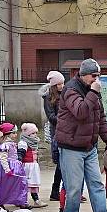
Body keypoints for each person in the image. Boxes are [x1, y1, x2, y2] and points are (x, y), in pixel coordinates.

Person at [54, 58, 107, 212]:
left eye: (98, 76)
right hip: (71, 147)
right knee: (74, 188)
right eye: (93, 76)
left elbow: (100, 117)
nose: (97, 79)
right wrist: (93, 92)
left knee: (97, 185)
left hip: (89, 146)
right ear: (82, 75)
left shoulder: (93, 91)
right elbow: (81, 112)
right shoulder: (70, 90)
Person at [0, 122, 29, 209]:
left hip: (15, 167)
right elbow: (3, 158)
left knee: (20, 183)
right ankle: (1, 202)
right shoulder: (5, 145)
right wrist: (7, 169)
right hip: (9, 168)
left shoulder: (12, 144)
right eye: (13, 133)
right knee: (5, 186)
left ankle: (21, 201)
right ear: (8, 134)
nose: (16, 135)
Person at [42, 70, 65, 201]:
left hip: (65, 131)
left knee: (63, 163)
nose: (62, 86)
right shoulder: (48, 98)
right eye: (60, 84)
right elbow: (51, 117)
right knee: (61, 163)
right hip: (57, 132)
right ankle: (56, 190)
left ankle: (58, 191)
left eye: (63, 83)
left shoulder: (65, 94)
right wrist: (65, 118)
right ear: (54, 85)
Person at [17, 122, 48, 208]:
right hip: (26, 166)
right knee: (25, 184)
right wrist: (19, 162)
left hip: (33, 166)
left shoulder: (33, 143)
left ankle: (36, 200)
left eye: (35, 133)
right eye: (32, 133)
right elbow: (20, 154)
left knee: (33, 184)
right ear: (27, 134)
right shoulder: (23, 143)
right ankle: (22, 201)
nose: (35, 135)